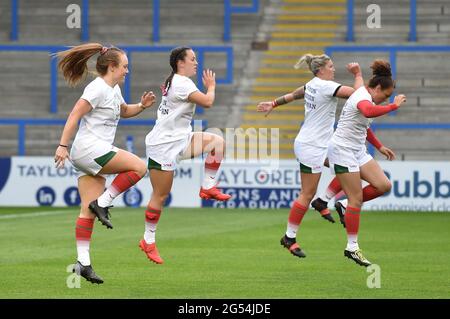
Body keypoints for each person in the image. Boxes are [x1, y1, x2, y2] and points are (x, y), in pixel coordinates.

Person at [54, 43, 156, 283]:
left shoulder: (113, 89)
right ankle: (103, 202)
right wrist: (62, 145)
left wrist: (141, 106)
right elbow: (74, 114)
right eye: (125, 66)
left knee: (86, 211)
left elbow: (124, 111)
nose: (127, 71)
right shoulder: (97, 88)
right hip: (90, 148)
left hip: (89, 154)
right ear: (112, 66)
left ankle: (83, 263)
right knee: (139, 167)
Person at [257, 53, 363, 259]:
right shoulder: (325, 86)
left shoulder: (312, 84)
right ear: (321, 70)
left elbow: (295, 94)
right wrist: (358, 74)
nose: (334, 69)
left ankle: (323, 202)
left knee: (349, 168)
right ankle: (289, 237)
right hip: (311, 146)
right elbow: (358, 95)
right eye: (331, 66)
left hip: (319, 144)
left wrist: (274, 103)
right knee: (307, 193)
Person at [139, 46, 231, 264]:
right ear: (181, 63)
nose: (196, 63)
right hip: (163, 145)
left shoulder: (175, 81)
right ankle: (148, 240)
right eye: (193, 59)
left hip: (180, 138)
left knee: (218, 143)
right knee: (160, 196)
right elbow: (208, 102)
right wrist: (211, 87)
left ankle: (207, 187)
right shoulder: (182, 82)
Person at [327, 59, 406, 267]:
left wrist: (379, 147)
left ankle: (343, 205)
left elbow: (365, 124)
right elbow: (368, 112)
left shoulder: (366, 94)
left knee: (383, 185)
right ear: (377, 87)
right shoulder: (363, 97)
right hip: (343, 149)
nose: (384, 99)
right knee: (357, 198)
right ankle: (352, 247)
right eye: (385, 95)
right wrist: (393, 106)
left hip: (357, 150)